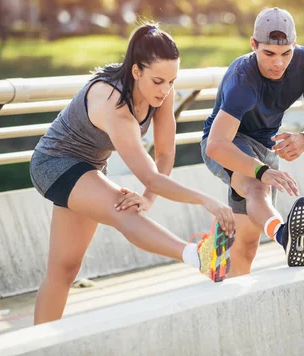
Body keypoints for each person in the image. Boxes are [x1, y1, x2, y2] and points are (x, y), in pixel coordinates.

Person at [29, 24, 235, 325]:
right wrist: (205, 200)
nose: (165, 90)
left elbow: (164, 153)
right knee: (122, 211)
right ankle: (198, 256)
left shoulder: (160, 93)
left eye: (171, 81)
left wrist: (148, 199)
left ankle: (39, 344)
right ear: (136, 71)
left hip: (89, 168)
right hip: (54, 164)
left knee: (64, 269)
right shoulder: (116, 105)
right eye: (158, 81)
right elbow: (151, 175)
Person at [201, 7, 304, 277]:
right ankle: (285, 236)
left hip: (265, 144)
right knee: (255, 187)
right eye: (268, 53)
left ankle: (214, 250)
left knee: (247, 246)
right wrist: (260, 170)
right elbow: (215, 145)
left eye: (286, 54)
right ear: (253, 45)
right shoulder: (242, 81)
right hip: (226, 142)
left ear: (295, 45)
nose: (278, 64)